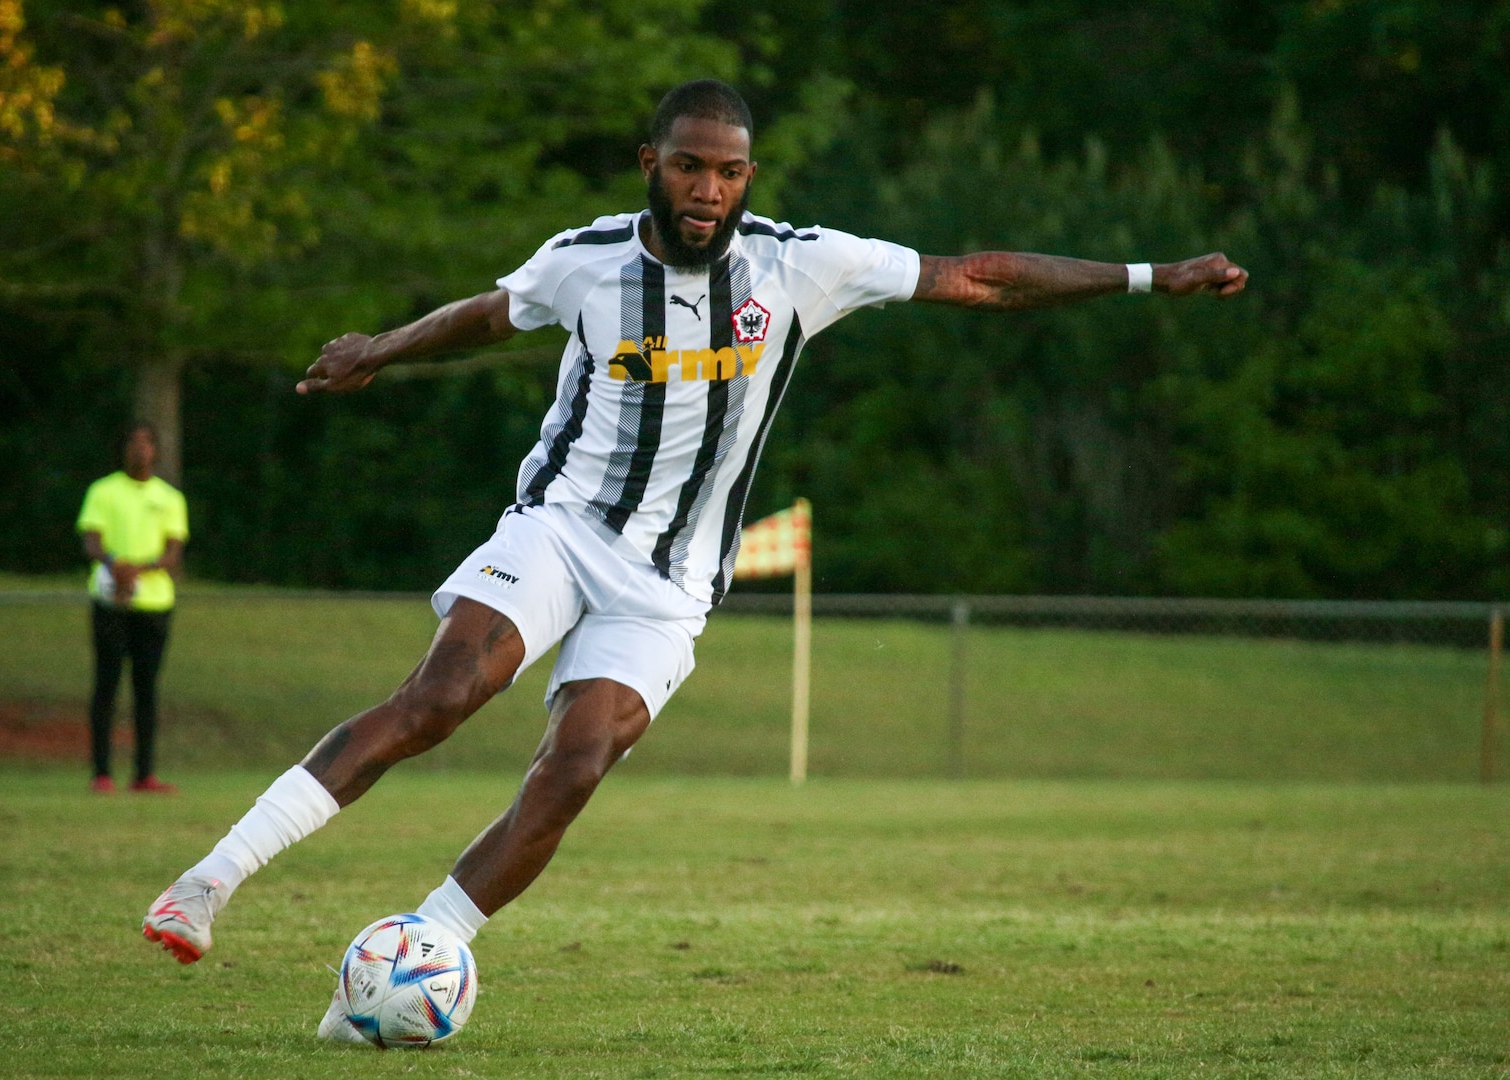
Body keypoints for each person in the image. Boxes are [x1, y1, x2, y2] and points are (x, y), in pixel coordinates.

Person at [141, 80, 1246, 1035]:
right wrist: (376, 351)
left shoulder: (801, 269)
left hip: (672, 584)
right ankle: (208, 881)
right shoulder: (582, 263)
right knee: (440, 698)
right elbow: (488, 317)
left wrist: (1156, 277)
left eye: (729, 171)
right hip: (563, 526)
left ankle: (412, 960)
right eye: (688, 167)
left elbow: (983, 275)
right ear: (650, 167)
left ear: (749, 175)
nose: (709, 189)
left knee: (573, 767)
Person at [77, 421, 188, 794]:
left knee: (146, 690)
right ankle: (102, 773)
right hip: (110, 602)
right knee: (106, 686)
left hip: (153, 603)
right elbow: (91, 541)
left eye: (146, 443)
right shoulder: (103, 491)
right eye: (133, 443)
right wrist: (114, 565)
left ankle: (144, 774)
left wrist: (137, 569)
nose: (140, 450)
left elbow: (173, 551)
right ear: (124, 449)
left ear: (156, 450)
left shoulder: (169, 498)